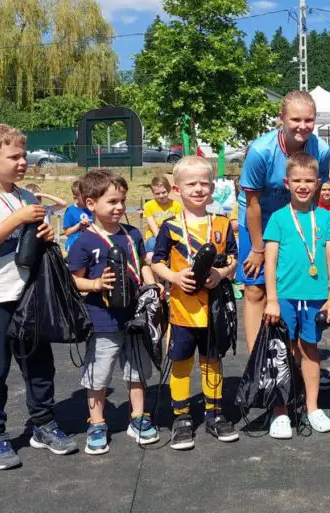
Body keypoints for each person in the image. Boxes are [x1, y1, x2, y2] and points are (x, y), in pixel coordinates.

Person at [0, 123, 76, 470]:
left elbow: (32, 244)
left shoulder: (26, 197)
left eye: (24, 155)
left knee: (40, 368)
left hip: (29, 296)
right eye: (14, 157)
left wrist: (45, 235)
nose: (23, 162)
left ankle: (43, 424)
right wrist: (17, 219)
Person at [67, 169, 159, 455]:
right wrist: (96, 284)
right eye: (112, 202)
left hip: (135, 317)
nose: (119, 207)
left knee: (137, 370)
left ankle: (138, 417)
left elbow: (143, 264)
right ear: (91, 203)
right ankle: (96, 423)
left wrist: (152, 285)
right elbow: (73, 280)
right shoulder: (84, 241)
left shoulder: (132, 234)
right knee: (99, 374)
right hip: (102, 320)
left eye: (122, 201)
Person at [151, 157, 239, 449]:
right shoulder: (170, 226)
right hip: (182, 311)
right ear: (177, 190)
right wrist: (174, 277)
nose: (198, 189)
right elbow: (156, 262)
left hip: (213, 311)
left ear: (212, 188)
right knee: (181, 363)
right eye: (191, 184)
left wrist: (221, 274)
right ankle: (181, 417)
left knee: (212, 361)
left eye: (204, 183)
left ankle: (215, 413)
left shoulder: (222, 223)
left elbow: (233, 259)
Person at [238, 91, 330, 353]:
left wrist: (312, 232)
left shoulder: (321, 150)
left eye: (309, 120)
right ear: (282, 118)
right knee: (256, 290)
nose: (302, 126)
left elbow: (315, 193)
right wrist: (258, 249)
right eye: (295, 119)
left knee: (293, 286)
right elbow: (252, 204)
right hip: (258, 218)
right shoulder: (260, 151)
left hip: (295, 221)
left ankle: (293, 357)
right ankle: (257, 361)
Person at [262, 152, 330, 438]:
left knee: (310, 351)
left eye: (309, 180)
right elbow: (269, 261)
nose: (303, 185)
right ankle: (280, 411)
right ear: (287, 183)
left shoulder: (326, 218)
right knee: (281, 353)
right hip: (284, 296)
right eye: (297, 180)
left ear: (317, 183)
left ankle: (312, 408)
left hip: (316, 296)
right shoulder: (278, 218)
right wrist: (272, 299)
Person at [143, 175, 182, 244]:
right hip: (154, 236)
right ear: (153, 193)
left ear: (168, 190)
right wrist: (161, 240)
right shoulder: (148, 206)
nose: (161, 196)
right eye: (157, 193)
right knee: (152, 245)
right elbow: (153, 227)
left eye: (163, 192)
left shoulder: (177, 205)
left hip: (172, 235)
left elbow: (178, 225)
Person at [61, 179, 92, 252]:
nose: (87, 198)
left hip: (91, 244)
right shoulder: (70, 211)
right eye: (83, 196)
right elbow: (67, 233)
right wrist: (79, 225)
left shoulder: (92, 208)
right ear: (75, 197)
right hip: (74, 245)